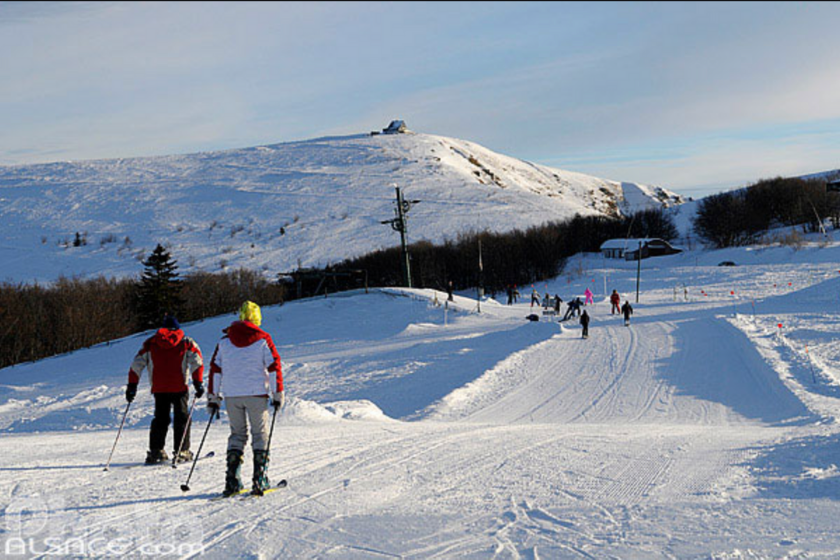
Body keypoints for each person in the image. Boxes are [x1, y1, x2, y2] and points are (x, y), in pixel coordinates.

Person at [208, 301, 284, 497]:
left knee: (237, 435)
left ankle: (232, 481)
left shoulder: (224, 342)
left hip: (232, 395)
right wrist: (277, 393)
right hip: (256, 394)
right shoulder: (263, 339)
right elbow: (274, 366)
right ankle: (259, 479)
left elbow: (215, 369)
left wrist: (213, 397)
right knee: (260, 435)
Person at [126, 314, 204, 465]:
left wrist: (132, 386)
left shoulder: (150, 343)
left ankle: (156, 451)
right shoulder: (186, 342)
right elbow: (197, 362)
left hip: (159, 388)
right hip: (179, 387)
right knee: (181, 417)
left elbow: (136, 365)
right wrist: (198, 382)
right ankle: (182, 450)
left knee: (160, 419)